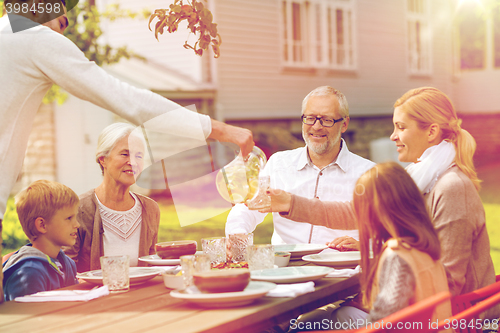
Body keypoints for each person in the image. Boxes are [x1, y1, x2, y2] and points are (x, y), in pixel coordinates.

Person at [0, 0, 253, 301]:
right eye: (63, 23)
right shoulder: (32, 34)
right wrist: (220, 130)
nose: (62, 35)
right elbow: (125, 98)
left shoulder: (8, 31)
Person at [265, 87, 497, 305]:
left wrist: (378, 272)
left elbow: (448, 282)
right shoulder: (420, 177)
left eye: (401, 127)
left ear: (431, 132)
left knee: (314, 324)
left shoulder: (451, 188)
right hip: (418, 305)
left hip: (455, 318)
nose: (393, 136)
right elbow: (357, 213)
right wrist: (291, 203)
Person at [290, 162, 452, 331]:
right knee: (333, 316)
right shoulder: (425, 247)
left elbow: (382, 322)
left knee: (304, 326)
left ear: (375, 211)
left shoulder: (396, 254)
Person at [225, 86, 374, 245]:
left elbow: (387, 230)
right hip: (286, 266)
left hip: (340, 268)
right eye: (310, 118)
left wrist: (365, 245)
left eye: (327, 120)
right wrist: (237, 233)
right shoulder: (278, 163)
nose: (316, 126)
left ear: (344, 124)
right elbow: (248, 207)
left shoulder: (369, 173)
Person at [62, 123, 159, 272]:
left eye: (138, 156)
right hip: (94, 294)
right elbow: (67, 272)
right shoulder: (78, 208)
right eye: (125, 154)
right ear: (103, 159)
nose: (133, 162)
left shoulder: (150, 209)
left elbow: (152, 264)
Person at [2, 180, 80, 301]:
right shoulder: (29, 272)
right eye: (69, 218)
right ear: (42, 225)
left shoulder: (68, 264)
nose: (77, 224)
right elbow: (26, 316)